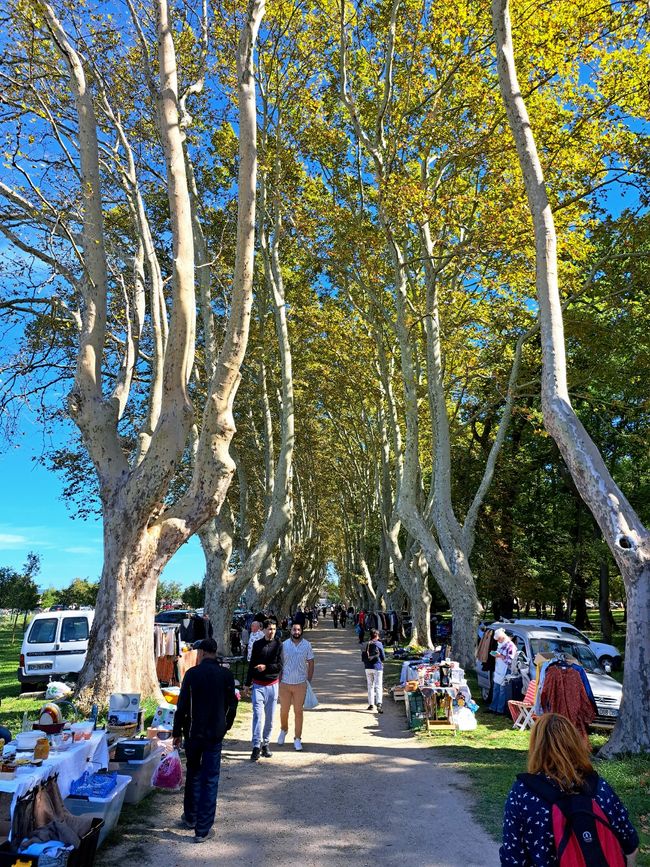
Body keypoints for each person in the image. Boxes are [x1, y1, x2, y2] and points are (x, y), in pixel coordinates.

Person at [500, 713, 638, 866]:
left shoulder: (523, 792)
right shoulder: (599, 788)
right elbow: (630, 845)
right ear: (576, 743)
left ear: (536, 747)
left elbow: (512, 857)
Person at [172, 638, 238, 843]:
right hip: (214, 735)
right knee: (210, 780)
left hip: (193, 733)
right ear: (215, 652)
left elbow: (182, 706)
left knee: (193, 774)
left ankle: (191, 816)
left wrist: (177, 732)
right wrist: (226, 725)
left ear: (201, 653)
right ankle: (202, 829)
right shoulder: (226, 675)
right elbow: (233, 704)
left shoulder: (192, 674)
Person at [245, 619, 282, 761]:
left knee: (270, 718)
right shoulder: (257, 644)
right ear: (264, 630)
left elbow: (279, 665)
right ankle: (256, 746)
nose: (271, 631)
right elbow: (251, 665)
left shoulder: (279, 644)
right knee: (257, 716)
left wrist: (266, 667)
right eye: (269, 629)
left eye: (273, 629)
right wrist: (247, 684)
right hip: (258, 686)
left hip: (273, 685)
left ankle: (266, 743)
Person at [278, 623, 315, 751]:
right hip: (285, 683)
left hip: (300, 683)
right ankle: (284, 729)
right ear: (291, 630)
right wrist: (279, 680)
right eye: (294, 629)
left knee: (298, 712)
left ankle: (297, 738)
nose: (296, 631)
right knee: (284, 710)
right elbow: (280, 663)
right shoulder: (284, 645)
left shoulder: (307, 645)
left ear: (301, 631)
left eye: (299, 629)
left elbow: (311, 662)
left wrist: (308, 680)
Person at [488, 627, 516, 714]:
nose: (497, 641)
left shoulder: (510, 645)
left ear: (503, 637)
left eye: (498, 639)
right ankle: (493, 708)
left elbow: (510, 660)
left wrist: (500, 656)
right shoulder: (501, 644)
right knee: (496, 688)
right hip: (499, 669)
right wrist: (496, 655)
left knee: (502, 690)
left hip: (506, 670)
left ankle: (500, 710)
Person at [362, 628, 385, 713]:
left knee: (370, 686)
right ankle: (379, 704)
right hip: (377, 667)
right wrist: (382, 660)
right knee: (378, 685)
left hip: (367, 667)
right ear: (376, 635)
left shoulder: (366, 644)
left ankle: (371, 704)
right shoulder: (378, 644)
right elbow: (382, 656)